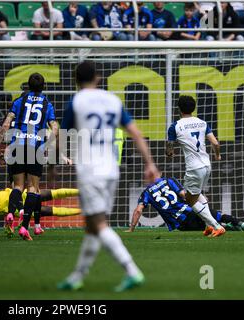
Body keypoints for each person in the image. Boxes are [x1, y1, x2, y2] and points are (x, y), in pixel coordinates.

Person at [57, 61, 160, 292]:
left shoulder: (76, 101)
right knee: (92, 226)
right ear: (98, 77)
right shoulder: (113, 101)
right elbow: (135, 132)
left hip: (90, 171)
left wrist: (57, 163)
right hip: (111, 170)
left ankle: (132, 270)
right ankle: (77, 276)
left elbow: (62, 135)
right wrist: (150, 163)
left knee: (99, 224)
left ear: (76, 80)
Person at [0, 73, 60, 241]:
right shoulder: (47, 104)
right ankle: (24, 227)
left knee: (17, 186)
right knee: (32, 188)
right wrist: (47, 145)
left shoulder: (18, 102)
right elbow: (55, 129)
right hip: (35, 146)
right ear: (43, 87)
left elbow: (6, 125)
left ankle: (10, 214)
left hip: (17, 145)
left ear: (28, 86)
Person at [166, 95, 225, 237]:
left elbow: (169, 146)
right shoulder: (202, 123)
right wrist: (217, 155)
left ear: (179, 109)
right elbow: (216, 143)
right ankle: (208, 226)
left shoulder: (175, 126)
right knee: (199, 197)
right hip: (207, 165)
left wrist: (170, 152)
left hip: (194, 168)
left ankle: (216, 226)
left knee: (189, 200)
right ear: (194, 108)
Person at [126, 176, 244, 233]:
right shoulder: (169, 180)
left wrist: (132, 228)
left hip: (180, 223)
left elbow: (138, 211)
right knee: (218, 216)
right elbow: (184, 195)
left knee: (207, 227)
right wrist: (201, 200)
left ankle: (227, 228)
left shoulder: (146, 193)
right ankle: (242, 224)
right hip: (191, 210)